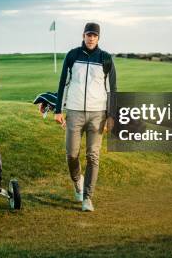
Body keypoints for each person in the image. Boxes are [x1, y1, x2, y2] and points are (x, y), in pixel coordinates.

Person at [54, 22, 117, 212]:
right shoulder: (72, 55)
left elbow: (112, 90)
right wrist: (58, 110)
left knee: (93, 156)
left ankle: (88, 198)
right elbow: (63, 83)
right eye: (88, 35)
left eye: (94, 36)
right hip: (74, 112)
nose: (91, 38)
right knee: (72, 154)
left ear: (98, 38)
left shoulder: (106, 58)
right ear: (83, 35)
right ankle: (77, 181)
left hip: (98, 114)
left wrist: (111, 117)